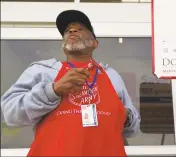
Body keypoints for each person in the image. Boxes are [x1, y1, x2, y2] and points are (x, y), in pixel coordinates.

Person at [1, 10, 141, 156]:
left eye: (80, 29)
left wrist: (123, 114)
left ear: (94, 43)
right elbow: (10, 113)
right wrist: (52, 90)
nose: (72, 30)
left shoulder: (111, 75)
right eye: (68, 30)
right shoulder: (42, 71)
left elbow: (133, 128)